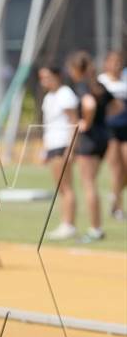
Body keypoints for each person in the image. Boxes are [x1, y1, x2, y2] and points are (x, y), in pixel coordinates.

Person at [66, 51, 121, 242]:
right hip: (104, 137)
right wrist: (102, 120)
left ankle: (95, 228)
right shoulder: (99, 85)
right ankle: (96, 226)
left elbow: (88, 105)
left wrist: (86, 122)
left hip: (89, 139)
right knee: (92, 182)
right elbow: (117, 107)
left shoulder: (82, 86)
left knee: (89, 184)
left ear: (75, 69)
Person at [38, 64, 79, 240]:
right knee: (60, 187)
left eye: (47, 77)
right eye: (42, 77)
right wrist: (45, 149)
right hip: (53, 145)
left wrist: (71, 150)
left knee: (66, 186)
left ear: (57, 76)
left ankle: (69, 224)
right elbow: (48, 126)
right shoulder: (49, 97)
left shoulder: (65, 94)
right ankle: (65, 223)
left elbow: (74, 122)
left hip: (63, 144)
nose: (44, 81)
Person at [98, 50, 127, 219]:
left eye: (119, 61)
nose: (116, 65)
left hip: (125, 128)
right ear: (106, 63)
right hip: (110, 130)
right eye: (113, 61)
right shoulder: (102, 81)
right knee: (116, 169)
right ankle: (117, 207)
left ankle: (114, 193)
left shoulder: (125, 80)